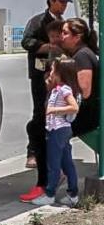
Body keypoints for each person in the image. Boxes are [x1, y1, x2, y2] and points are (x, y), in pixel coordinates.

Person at [19, 0, 71, 201]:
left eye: (67, 2)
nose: (64, 5)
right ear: (51, 1)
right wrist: (44, 46)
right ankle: (34, 151)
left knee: (56, 117)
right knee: (39, 116)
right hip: (41, 74)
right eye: (61, 2)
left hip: (59, 74)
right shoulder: (37, 21)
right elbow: (26, 42)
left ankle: (57, 164)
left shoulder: (65, 23)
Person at [31, 58, 81, 207]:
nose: (50, 73)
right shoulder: (57, 89)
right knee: (67, 163)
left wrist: (54, 110)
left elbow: (74, 107)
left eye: (53, 70)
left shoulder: (64, 89)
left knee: (53, 163)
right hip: (59, 129)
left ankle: (50, 193)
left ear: (61, 73)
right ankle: (73, 194)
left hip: (58, 130)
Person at [61, 17, 100, 137]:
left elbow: (84, 92)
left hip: (86, 116)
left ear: (77, 37)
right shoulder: (81, 54)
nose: (61, 36)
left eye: (65, 33)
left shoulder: (82, 56)